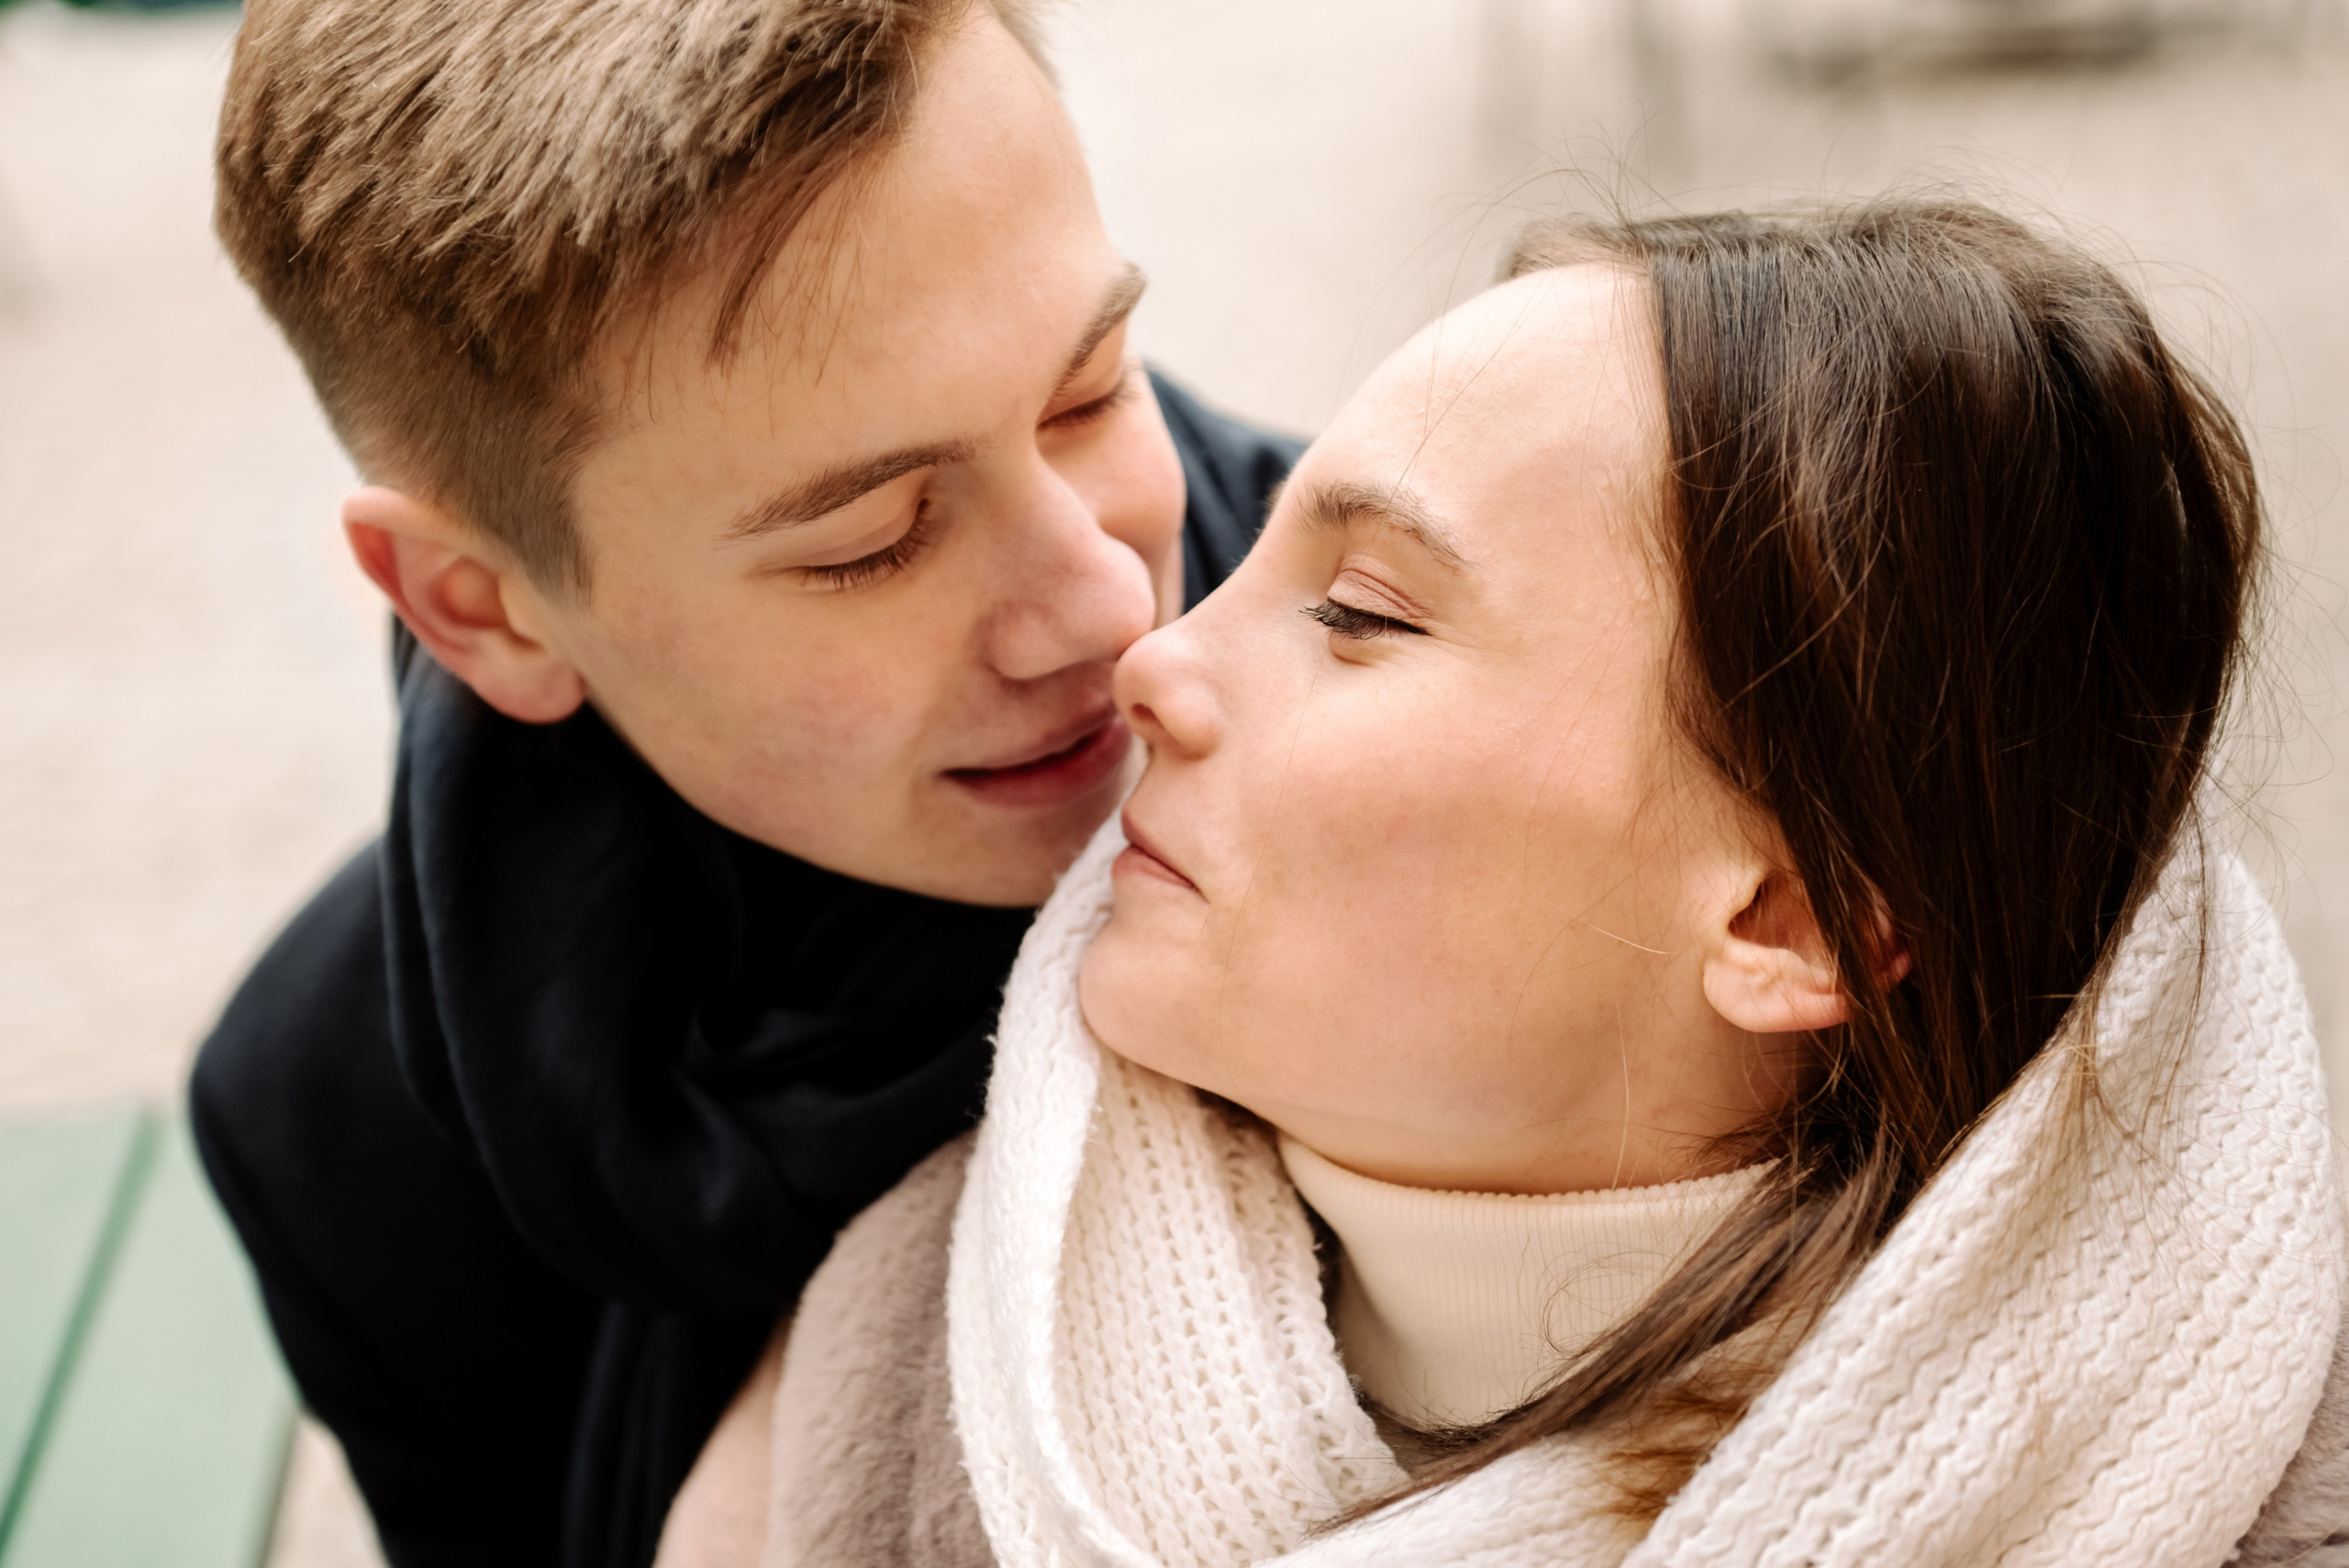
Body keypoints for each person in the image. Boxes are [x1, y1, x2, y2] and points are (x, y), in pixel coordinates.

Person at [675, 200, 2349, 1566]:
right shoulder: (904, 1373)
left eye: (1363, 613)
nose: (1151, 659)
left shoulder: (2276, 1491)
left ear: (1795, 916)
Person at [185, 4, 1300, 1565]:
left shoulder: (1534, 704)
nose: (1111, 607)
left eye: (1092, 389)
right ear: (481, 606)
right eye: (871, 540)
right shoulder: (346, 1132)